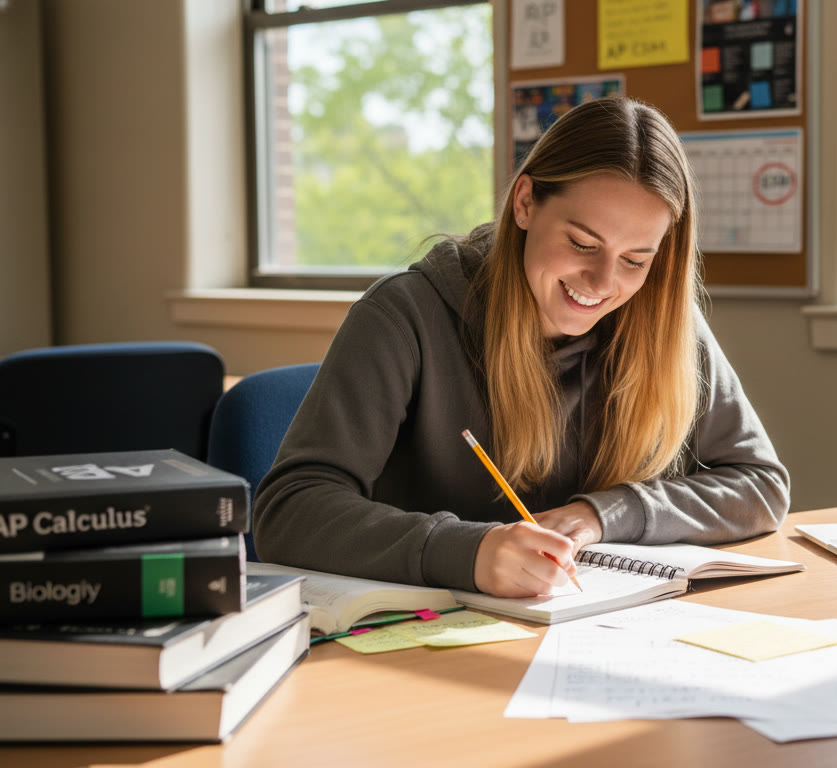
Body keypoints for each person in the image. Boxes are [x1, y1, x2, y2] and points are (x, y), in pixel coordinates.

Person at [252, 96, 790, 598]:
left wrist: (604, 514)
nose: (603, 282)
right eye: (583, 243)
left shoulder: (664, 321)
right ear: (526, 202)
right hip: (428, 644)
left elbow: (760, 484)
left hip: (599, 627)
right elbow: (288, 509)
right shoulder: (404, 315)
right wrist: (470, 552)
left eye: (635, 259)